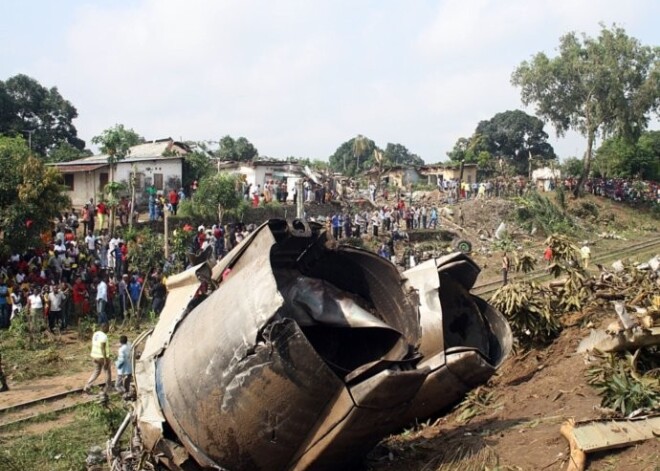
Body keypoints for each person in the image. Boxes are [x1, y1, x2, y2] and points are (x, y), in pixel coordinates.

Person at [83, 323, 112, 394]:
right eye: (108, 327)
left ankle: (87, 386)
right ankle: (108, 387)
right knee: (107, 371)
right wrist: (105, 360)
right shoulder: (104, 336)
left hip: (94, 356)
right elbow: (103, 348)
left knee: (96, 371)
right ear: (104, 327)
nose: (109, 329)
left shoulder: (96, 334)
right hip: (101, 357)